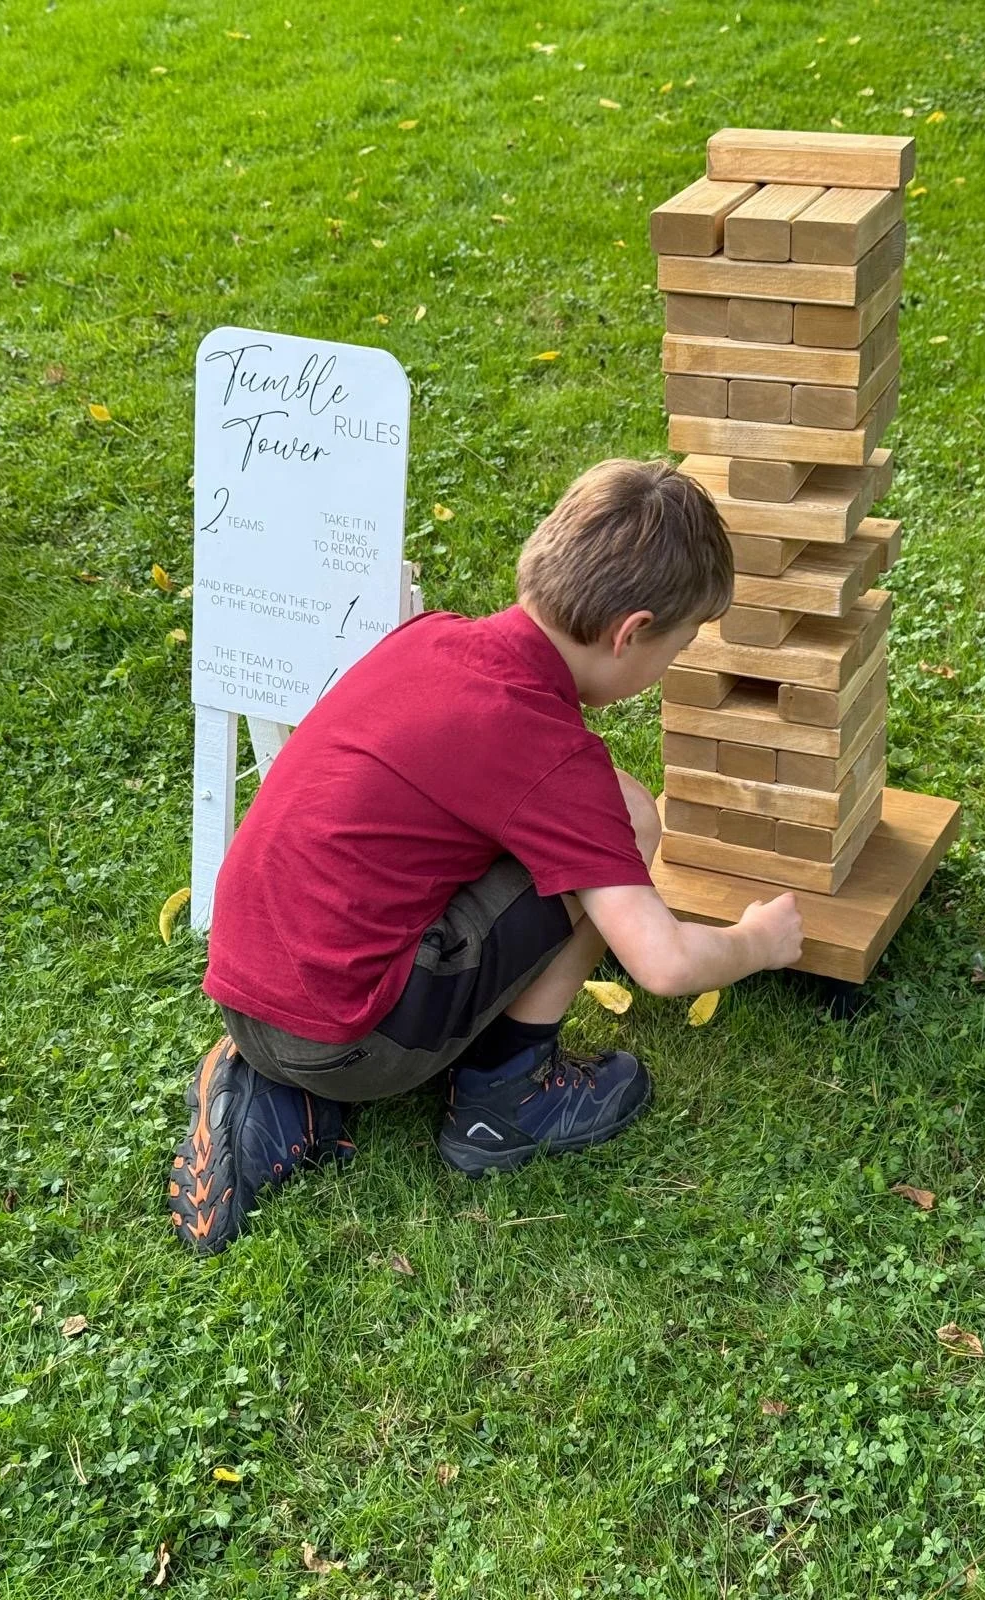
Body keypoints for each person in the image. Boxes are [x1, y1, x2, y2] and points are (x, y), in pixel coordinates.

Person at [168, 458, 804, 1254]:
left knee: (602, 810)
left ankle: (276, 1086)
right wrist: (759, 942)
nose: (666, 667)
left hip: (247, 986)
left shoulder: (433, 639)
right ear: (631, 632)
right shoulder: (548, 755)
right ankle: (506, 1098)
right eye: (676, 649)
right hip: (348, 1037)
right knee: (628, 821)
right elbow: (665, 963)